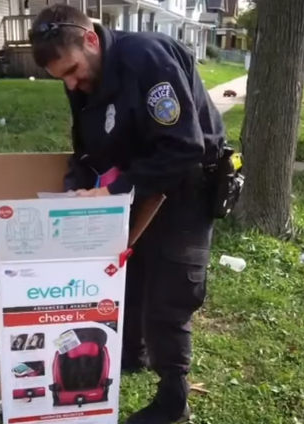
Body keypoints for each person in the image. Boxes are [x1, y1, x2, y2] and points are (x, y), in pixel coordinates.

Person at [29, 5, 225, 424]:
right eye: (61, 77)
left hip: (184, 188)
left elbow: (183, 148)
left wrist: (112, 189)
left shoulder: (147, 58)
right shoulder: (80, 77)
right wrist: (75, 186)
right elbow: (84, 146)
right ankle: (129, 356)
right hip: (135, 186)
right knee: (127, 278)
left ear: (91, 39)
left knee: (168, 298)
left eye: (73, 70)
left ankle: (174, 398)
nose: (71, 83)